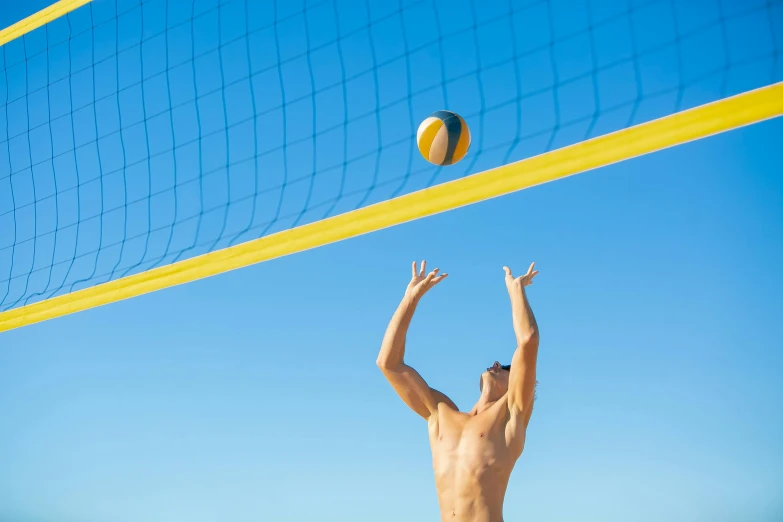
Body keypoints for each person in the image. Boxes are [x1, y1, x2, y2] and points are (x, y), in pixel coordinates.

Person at [376, 260, 540, 522]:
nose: (496, 364)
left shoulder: (511, 416)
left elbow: (528, 341)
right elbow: (388, 364)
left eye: (506, 367)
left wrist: (516, 289)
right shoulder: (440, 415)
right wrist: (410, 298)